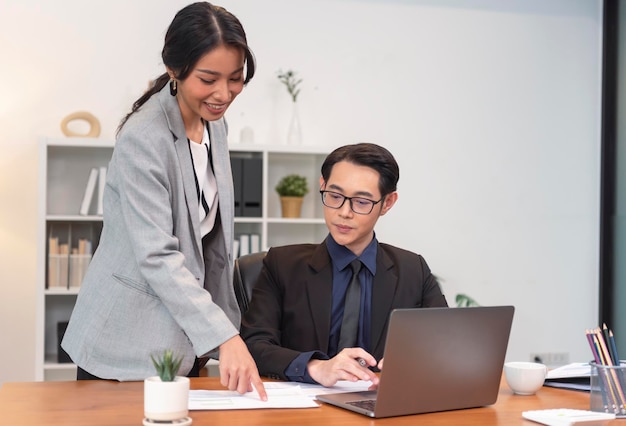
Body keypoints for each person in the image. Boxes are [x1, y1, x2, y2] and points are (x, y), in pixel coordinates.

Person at [62, 2, 267, 400]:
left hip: (184, 341)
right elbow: (157, 255)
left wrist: (222, 334)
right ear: (175, 69)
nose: (224, 94)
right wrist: (225, 337)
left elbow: (210, 245)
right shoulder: (144, 137)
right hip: (124, 346)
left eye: (236, 78)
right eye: (208, 79)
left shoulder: (215, 124)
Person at [240, 143, 448, 388]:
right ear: (322, 186)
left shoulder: (413, 269)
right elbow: (254, 345)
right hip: (304, 406)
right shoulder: (282, 265)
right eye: (335, 197)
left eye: (361, 202)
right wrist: (315, 367)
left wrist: (413, 362)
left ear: (388, 203)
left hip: (379, 404)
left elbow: (444, 343)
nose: (344, 212)